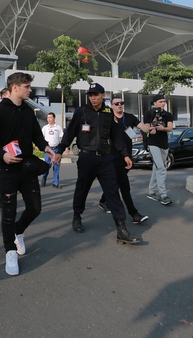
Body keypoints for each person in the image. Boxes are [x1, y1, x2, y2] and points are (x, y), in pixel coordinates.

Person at [0, 72, 55, 276]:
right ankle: (10, 251)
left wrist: (46, 148)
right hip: (6, 170)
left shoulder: (28, 111)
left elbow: (35, 135)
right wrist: (2, 154)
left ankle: (19, 231)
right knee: (8, 214)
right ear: (15, 87)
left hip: (27, 167)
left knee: (35, 208)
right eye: (27, 86)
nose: (29, 90)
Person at [54, 83, 139, 245]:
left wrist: (125, 155)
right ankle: (77, 216)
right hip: (87, 158)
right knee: (82, 189)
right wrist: (60, 151)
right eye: (90, 95)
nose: (93, 98)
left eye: (96, 95)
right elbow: (70, 132)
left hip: (106, 159)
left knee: (113, 192)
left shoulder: (108, 113)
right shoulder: (81, 111)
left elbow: (117, 136)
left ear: (102, 95)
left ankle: (121, 230)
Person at [98, 94, 149, 224]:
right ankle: (134, 214)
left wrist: (150, 129)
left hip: (126, 156)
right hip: (112, 155)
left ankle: (103, 201)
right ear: (111, 105)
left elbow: (142, 127)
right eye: (116, 103)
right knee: (123, 185)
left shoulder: (130, 117)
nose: (119, 105)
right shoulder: (108, 119)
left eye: (121, 103)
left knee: (116, 183)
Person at [142, 94, 174, 206]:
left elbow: (170, 128)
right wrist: (152, 125)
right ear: (154, 103)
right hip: (152, 143)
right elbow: (146, 128)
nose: (163, 103)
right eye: (160, 101)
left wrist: (162, 128)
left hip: (164, 144)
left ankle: (151, 191)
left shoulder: (168, 115)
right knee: (161, 168)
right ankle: (163, 194)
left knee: (156, 168)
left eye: (164, 101)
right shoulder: (148, 113)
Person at [41, 112, 63, 188]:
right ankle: (44, 177)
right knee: (47, 165)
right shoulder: (45, 128)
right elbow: (41, 138)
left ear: (54, 118)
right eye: (48, 118)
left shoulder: (58, 128)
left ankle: (55, 183)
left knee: (56, 166)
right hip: (47, 150)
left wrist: (65, 148)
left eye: (50, 117)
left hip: (56, 149)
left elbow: (62, 137)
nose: (49, 119)